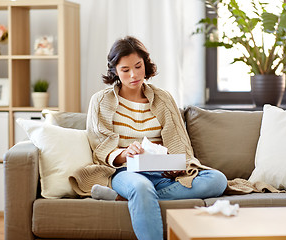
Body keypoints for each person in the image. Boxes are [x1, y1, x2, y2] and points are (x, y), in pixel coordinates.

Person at [86, 36, 228, 240]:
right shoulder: (100, 101)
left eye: (138, 66)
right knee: (141, 186)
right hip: (125, 172)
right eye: (125, 70)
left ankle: (126, 198)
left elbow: (179, 142)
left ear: (146, 64)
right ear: (115, 71)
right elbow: (99, 146)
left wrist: (176, 164)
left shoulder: (163, 98)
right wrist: (125, 154)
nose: (134, 75)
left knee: (217, 180)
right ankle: (137, 194)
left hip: (162, 173)